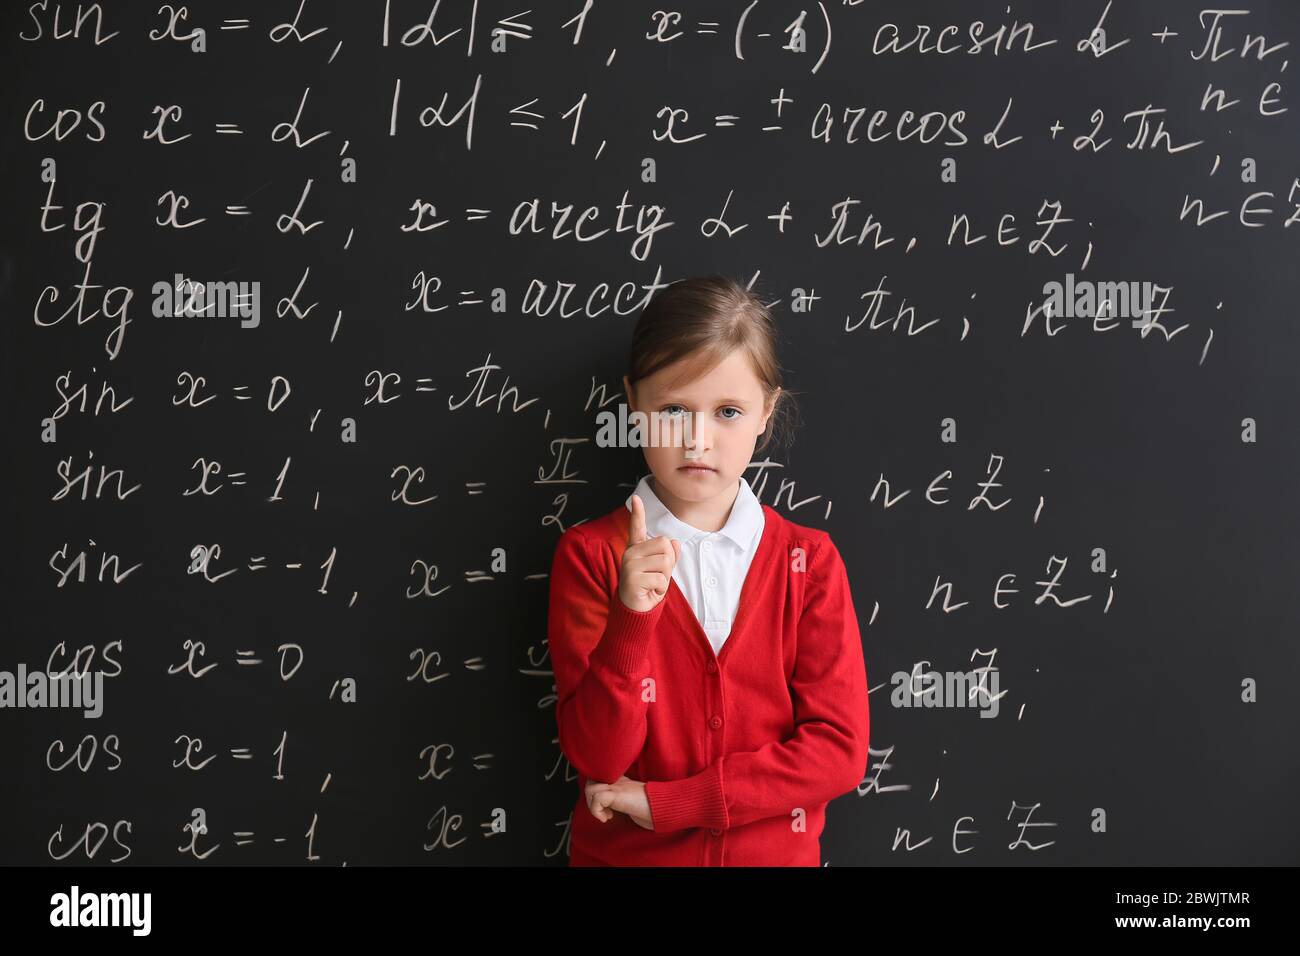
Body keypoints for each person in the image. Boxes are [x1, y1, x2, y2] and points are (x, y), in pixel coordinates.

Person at [547, 275, 871, 866]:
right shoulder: (592, 555)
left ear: (766, 413)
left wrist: (676, 803)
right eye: (673, 410)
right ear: (634, 405)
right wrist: (631, 621)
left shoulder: (809, 562)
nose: (698, 440)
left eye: (727, 411)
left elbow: (839, 750)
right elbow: (599, 757)